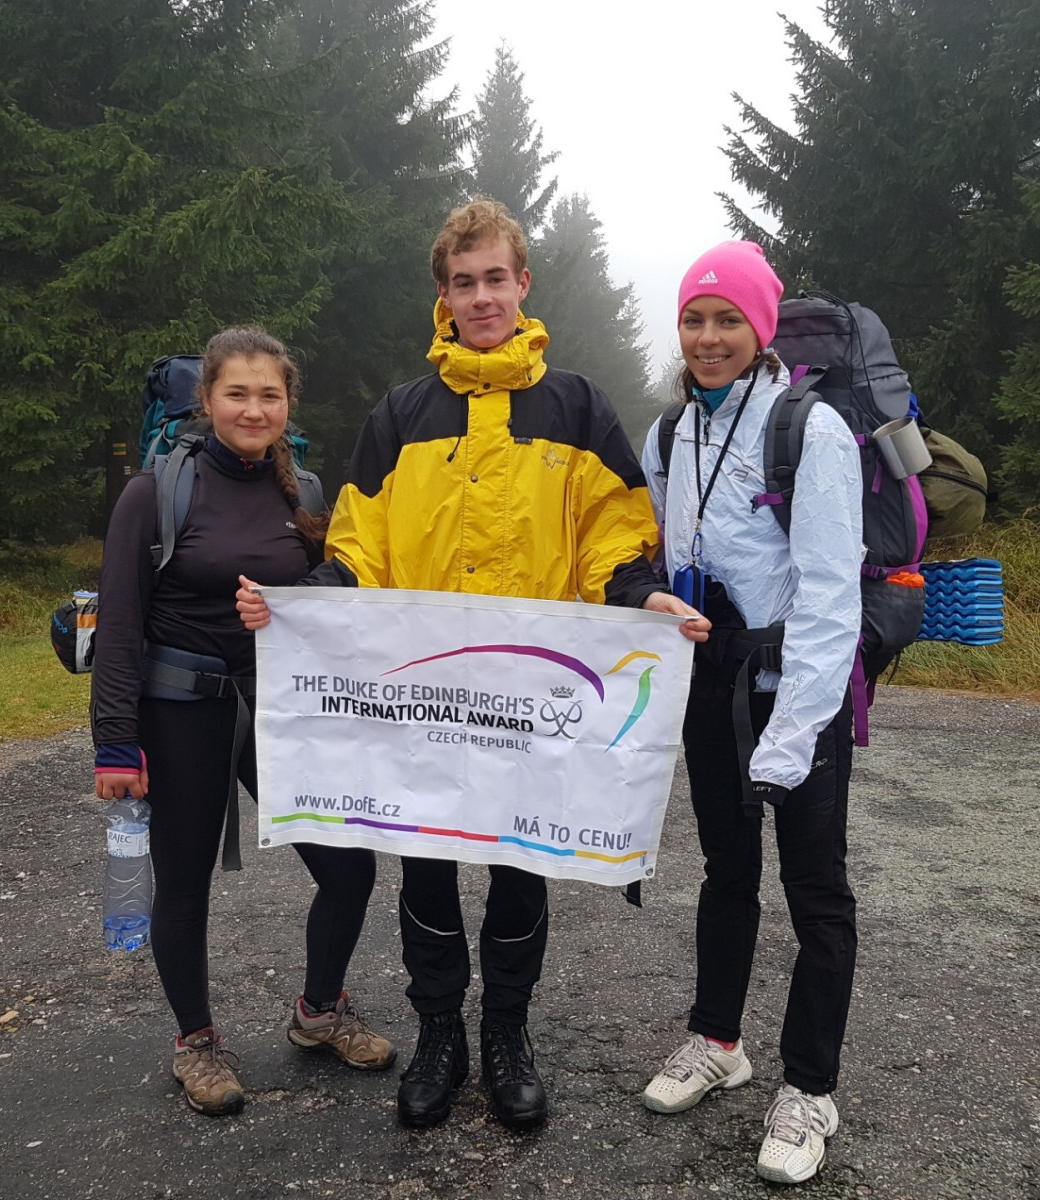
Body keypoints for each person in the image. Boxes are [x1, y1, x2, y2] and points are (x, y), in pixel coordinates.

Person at [237, 198, 709, 1133]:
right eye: (464, 283)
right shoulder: (401, 414)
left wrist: (640, 593)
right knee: (426, 870)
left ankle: (507, 1036)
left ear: (523, 283)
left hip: (533, 691)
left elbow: (612, 531)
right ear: (443, 296)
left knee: (521, 864)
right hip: (427, 693)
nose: (482, 296)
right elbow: (362, 540)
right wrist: (304, 602)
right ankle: (439, 1037)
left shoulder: (577, 406)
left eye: (496, 278)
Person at [92, 326, 395, 1117]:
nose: (254, 409)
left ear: (288, 402)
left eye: (270, 394)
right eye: (237, 393)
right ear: (207, 399)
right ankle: (196, 1045)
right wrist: (115, 742)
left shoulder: (308, 494)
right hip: (180, 710)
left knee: (349, 867)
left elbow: (338, 598)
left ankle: (319, 1012)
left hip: (283, 707)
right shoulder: (153, 491)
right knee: (184, 883)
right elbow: (119, 625)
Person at [635, 241, 863, 1184]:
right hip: (711, 681)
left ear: (761, 328)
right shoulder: (668, 433)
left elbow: (831, 598)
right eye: (694, 319)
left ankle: (810, 1088)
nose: (708, 337)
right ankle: (718, 1043)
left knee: (816, 891)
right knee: (727, 873)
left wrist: (793, 733)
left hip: (796, 687)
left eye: (728, 319)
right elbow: (656, 553)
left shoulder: (810, 430)